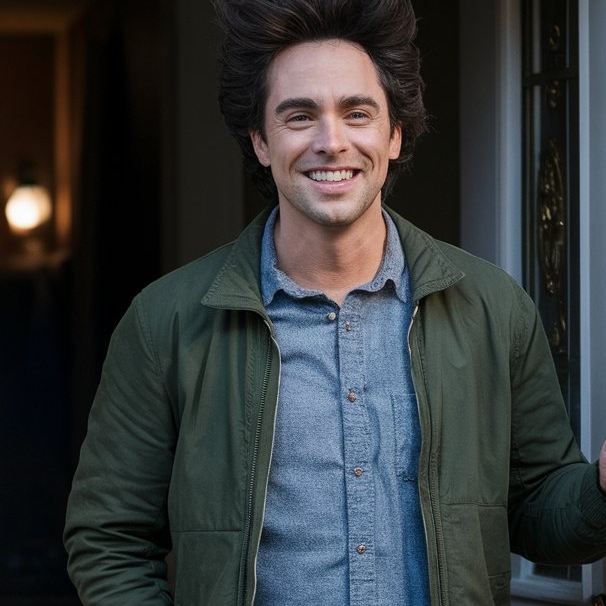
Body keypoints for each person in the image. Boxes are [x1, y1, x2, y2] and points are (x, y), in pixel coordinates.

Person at [64, 0, 606, 604]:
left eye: (357, 113)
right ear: (261, 141)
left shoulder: (493, 308)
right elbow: (109, 538)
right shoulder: (164, 321)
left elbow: (541, 513)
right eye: (299, 116)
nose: (331, 141)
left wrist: (602, 489)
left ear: (394, 134)